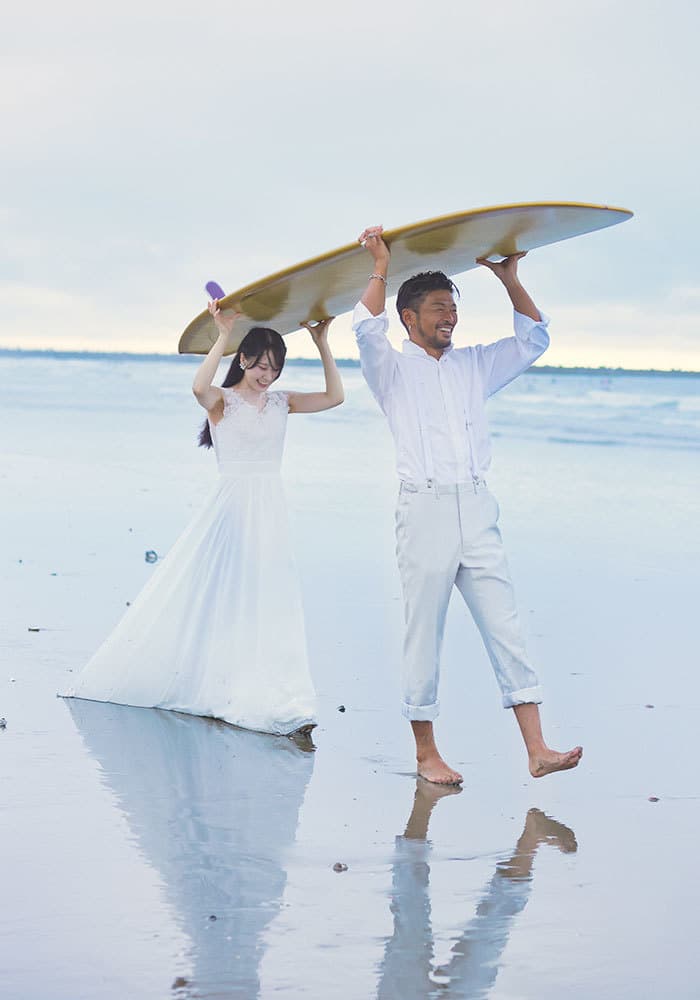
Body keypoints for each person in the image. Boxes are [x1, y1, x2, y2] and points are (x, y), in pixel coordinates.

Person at [353, 225, 583, 784]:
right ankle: (426, 754)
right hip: (424, 511)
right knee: (423, 635)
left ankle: (537, 750)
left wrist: (509, 279)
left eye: (453, 308)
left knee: (506, 627)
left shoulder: (474, 364)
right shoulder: (389, 370)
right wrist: (380, 266)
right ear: (409, 317)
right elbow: (364, 327)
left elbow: (534, 340)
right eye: (438, 308)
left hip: (478, 509)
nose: (449, 318)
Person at [61, 302, 344, 738]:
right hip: (232, 507)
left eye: (275, 368)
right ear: (244, 360)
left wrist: (322, 343)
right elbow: (198, 386)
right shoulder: (222, 402)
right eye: (261, 365)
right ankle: (219, 683)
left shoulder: (281, 402)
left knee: (269, 597)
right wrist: (222, 335)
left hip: (270, 508)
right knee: (227, 594)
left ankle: (268, 686)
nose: (267, 375)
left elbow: (335, 397)